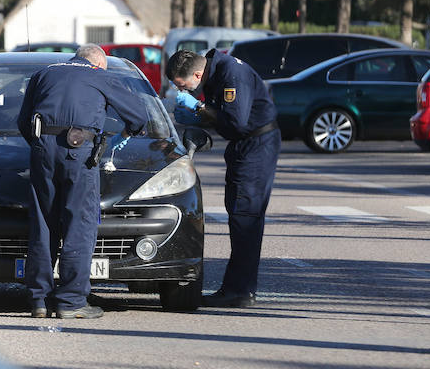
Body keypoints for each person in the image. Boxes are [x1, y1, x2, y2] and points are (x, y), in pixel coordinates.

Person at [16, 44, 147, 319]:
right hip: (79, 151)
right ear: (98, 62)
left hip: (42, 148)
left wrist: (42, 147)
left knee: (43, 222)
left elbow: (22, 121)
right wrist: (128, 131)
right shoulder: (100, 75)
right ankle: (71, 300)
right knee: (80, 222)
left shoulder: (43, 73)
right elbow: (138, 116)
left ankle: (39, 299)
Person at [166, 48, 280, 308]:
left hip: (255, 144)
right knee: (240, 215)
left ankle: (239, 291)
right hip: (247, 144)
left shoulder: (231, 74)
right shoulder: (218, 71)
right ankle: (237, 287)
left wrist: (201, 109)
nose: (182, 90)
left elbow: (236, 122)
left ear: (197, 73)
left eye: (182, 85)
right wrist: (202, 115)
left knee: (245, 218)